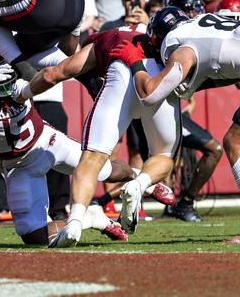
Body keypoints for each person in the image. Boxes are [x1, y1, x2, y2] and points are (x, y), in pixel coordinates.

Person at [12, 23, 181, 246]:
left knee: (91, 159)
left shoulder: (106, 40)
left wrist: (23, 93)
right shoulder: (174, 43)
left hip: (121, 73)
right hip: (161, 77)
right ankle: (139, 184)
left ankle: (74, 222)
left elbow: (55, 73)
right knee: (164, 155)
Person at [0, 39, 132, 244]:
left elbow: (36, 83)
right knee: (34, 237)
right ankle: (91, 217)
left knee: (108, 171)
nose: (3, 74)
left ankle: (143, 180)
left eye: (4, 65)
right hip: (18, 165)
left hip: (47, 143)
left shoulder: (17, 79)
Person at [111, 6, 240, 240]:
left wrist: (135, 61)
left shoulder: (180, 45)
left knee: (234, 142)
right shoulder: (203, 22)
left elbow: (150, 94)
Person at [163, 0, 224, 222]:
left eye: (198, 8)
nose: (196, 13)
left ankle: (184, 202)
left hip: (174, 111)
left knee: (213, 149)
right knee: (158, 160)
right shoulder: (172, 37)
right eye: (190, 9)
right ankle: (104, 203)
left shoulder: (193, 34)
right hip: (155, 110)